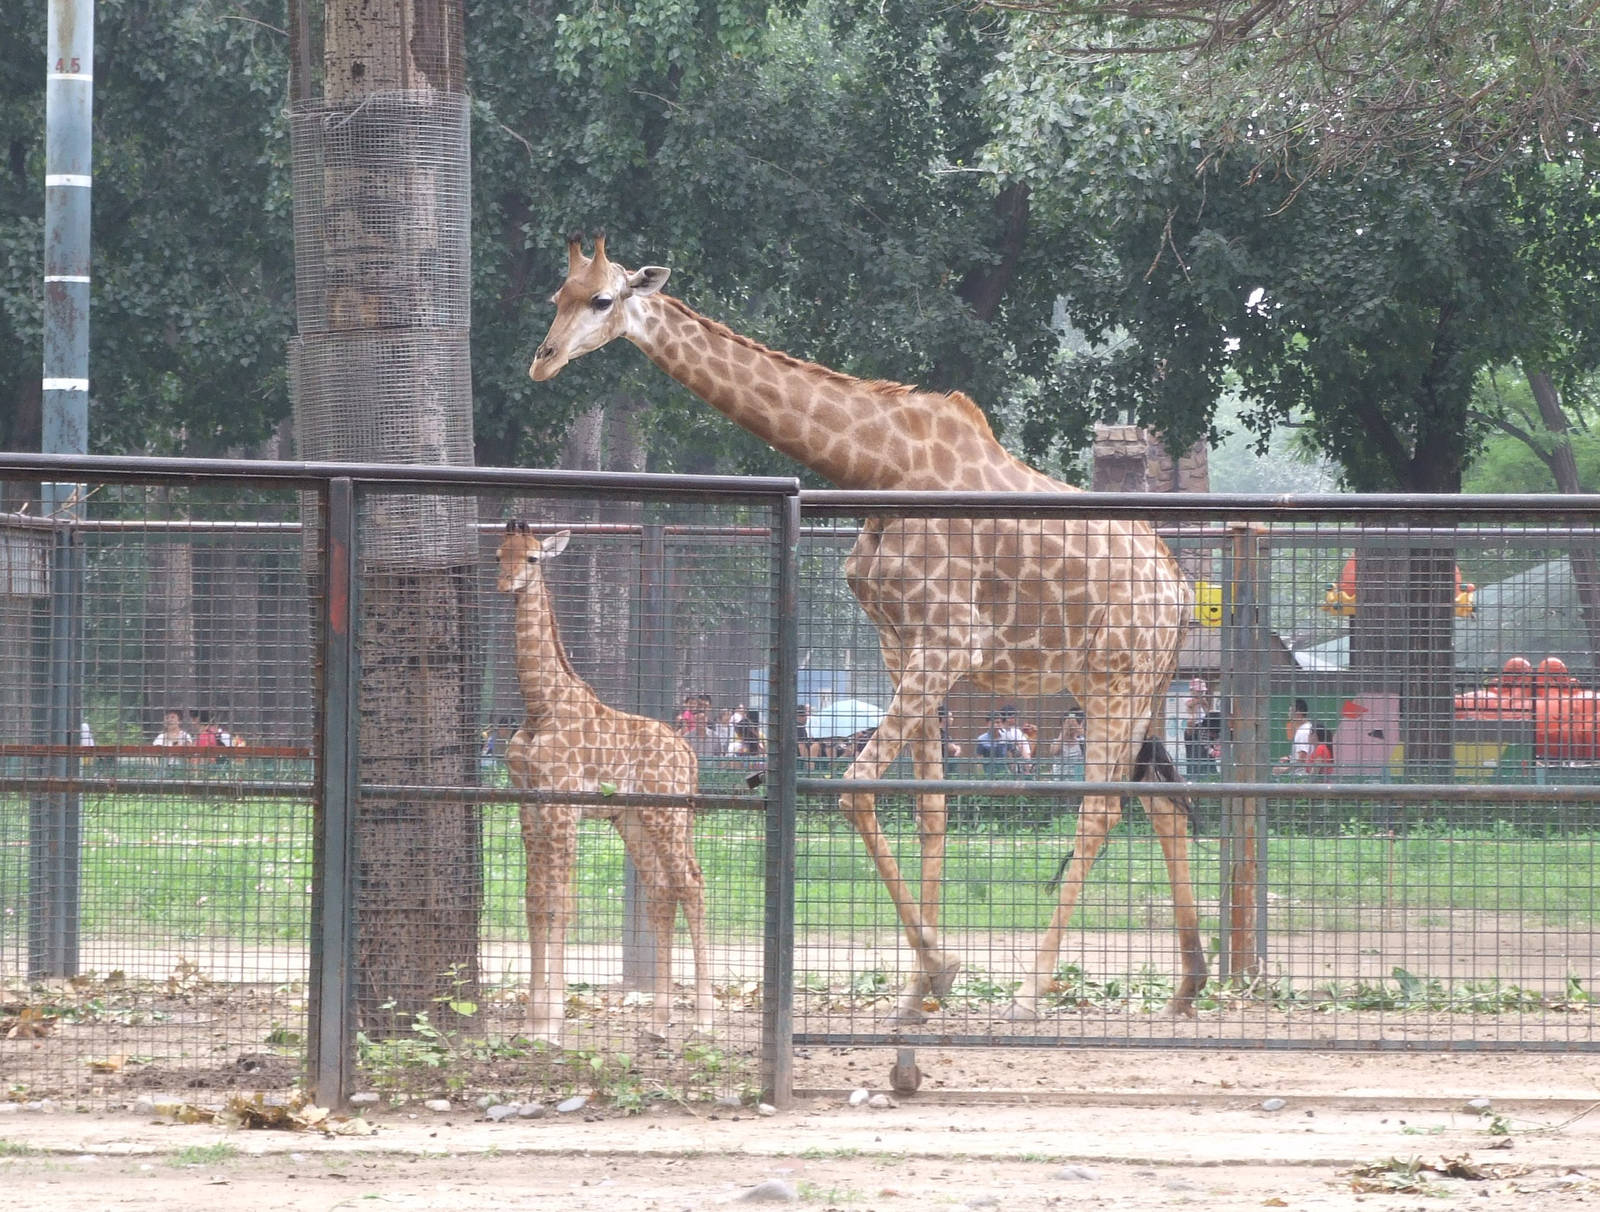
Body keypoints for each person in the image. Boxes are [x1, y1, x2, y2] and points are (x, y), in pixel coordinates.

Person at [1182, 678, 1219, 776]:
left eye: (1202, 691)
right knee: (1196, 751)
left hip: (1204, 726)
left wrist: (1204, 704)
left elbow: (1208, 712)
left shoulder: (1203, 700)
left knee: (1206, 749)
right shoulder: (1188, 699)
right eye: (1199, 691)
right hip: (1193, 726)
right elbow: (1190, 705)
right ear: (1192, 691)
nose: (1201, 693)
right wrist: (1199, 701)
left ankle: (1211, 771)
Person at [1274, 698, 1317, 775]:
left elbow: (1302, 760)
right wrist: (1290, 758)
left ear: (1298, 713)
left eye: (1290, 712)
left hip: (1301, 777)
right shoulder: (1307, 727)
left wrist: (1283, 770)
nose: (1288, 715)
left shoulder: (1303, 732)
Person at [1052, 712, 1086, 781]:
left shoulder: (1081, 741)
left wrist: (1078, 729)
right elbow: (1053, 751)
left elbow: (1095, 743)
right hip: (1060, 782)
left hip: (1077, 781)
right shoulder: (1057, 741)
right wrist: (1064, 730)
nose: (1070, 728)